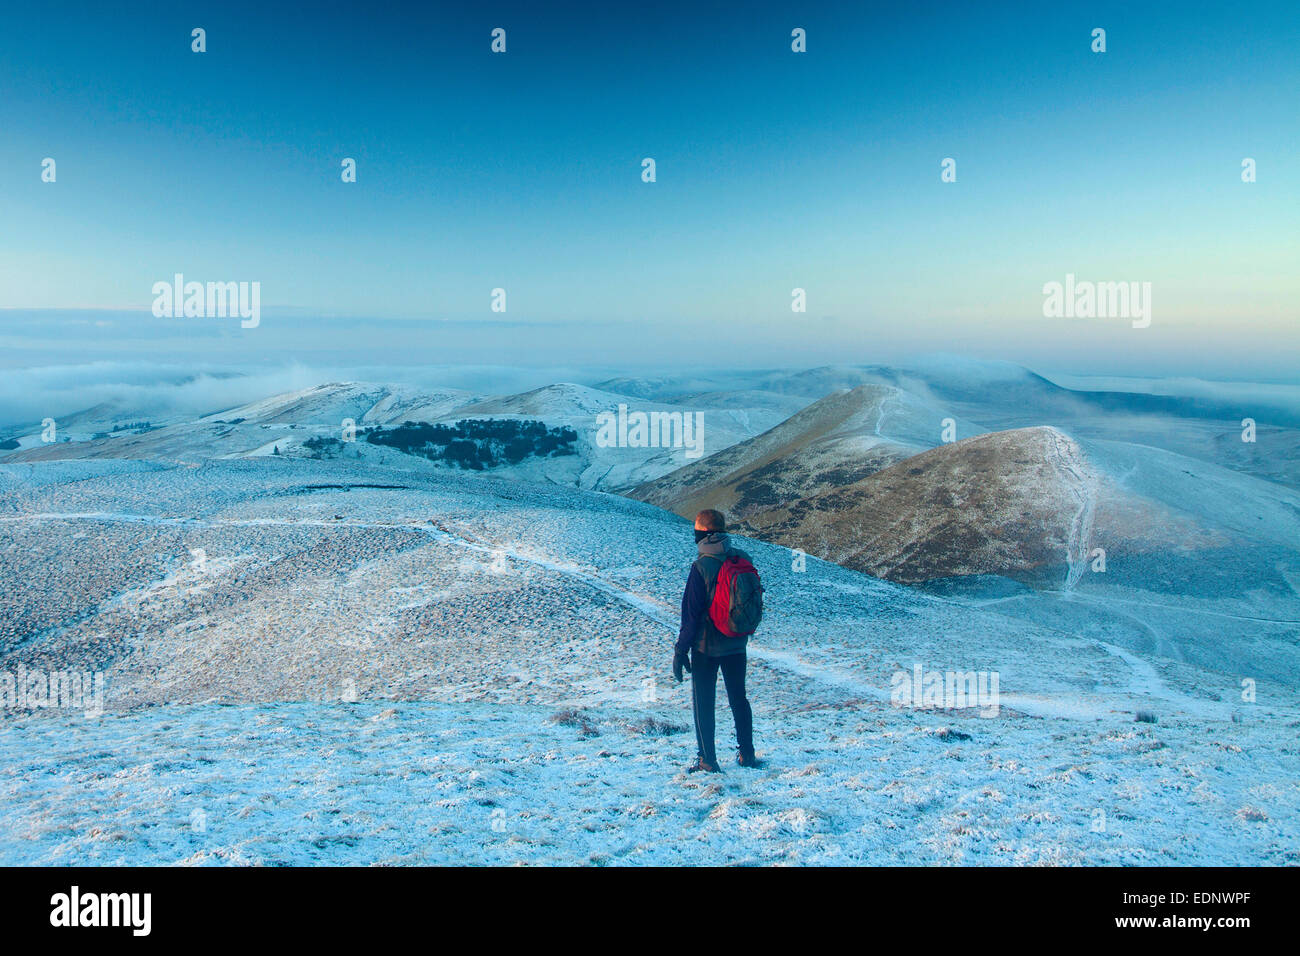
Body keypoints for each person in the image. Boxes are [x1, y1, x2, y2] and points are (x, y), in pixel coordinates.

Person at [672, 509, 761, 772]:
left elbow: (690, 614)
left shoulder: (701, 567)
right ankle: (747, 755)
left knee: (704, 702)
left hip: (706, 647)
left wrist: (680, 651)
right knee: (739, 699)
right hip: (736, 643)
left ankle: (708, 760)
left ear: (703, 535)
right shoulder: (741, 557)